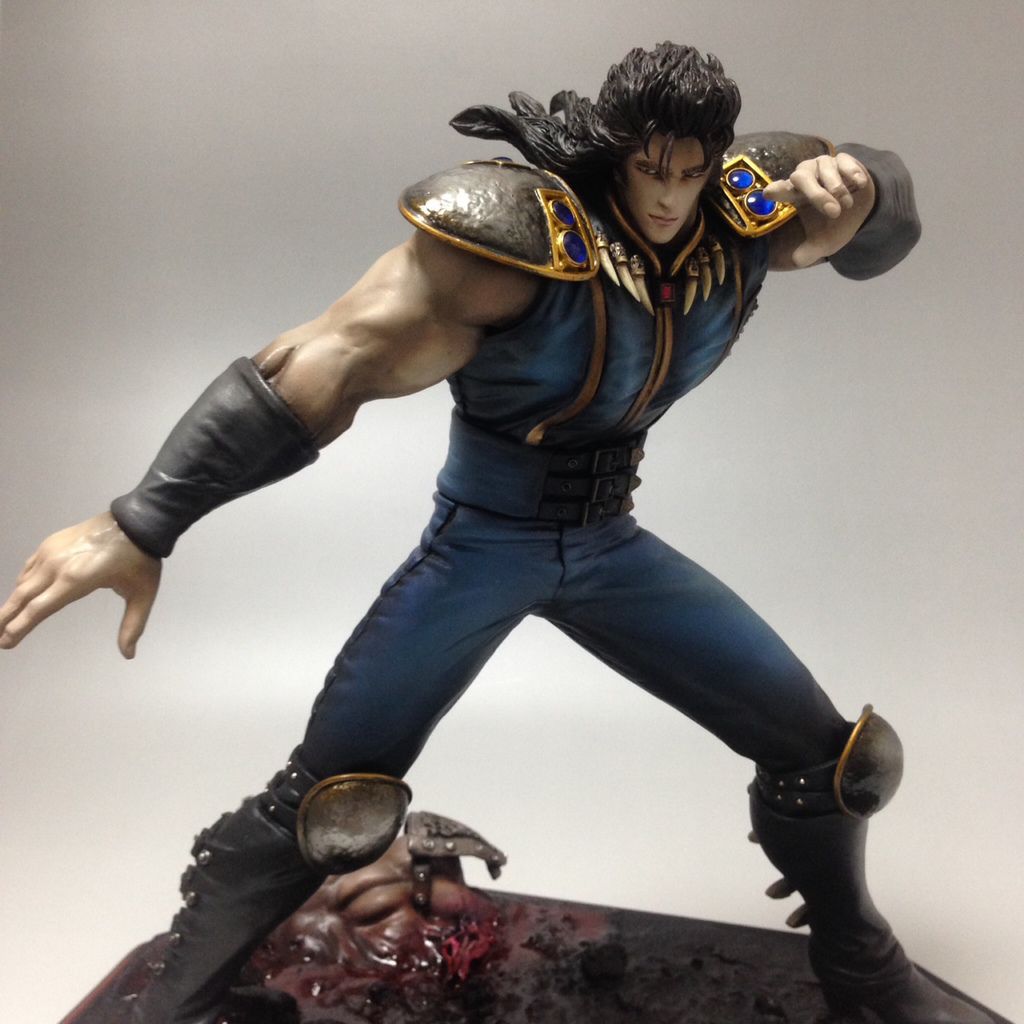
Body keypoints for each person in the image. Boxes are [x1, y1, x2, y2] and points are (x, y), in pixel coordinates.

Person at [0, 42, 982, 1024]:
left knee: (834, 761)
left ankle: (861, 964)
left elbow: (876, 221)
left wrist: (861, 194)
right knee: (337, 804)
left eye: (690, 173)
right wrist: (142, 520)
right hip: (486, 546)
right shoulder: (518, 242)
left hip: (607, 547)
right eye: (649, 169)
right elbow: (328, 362)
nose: (668, 196)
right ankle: (172, 1006)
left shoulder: (741, 213)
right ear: (617, 152)